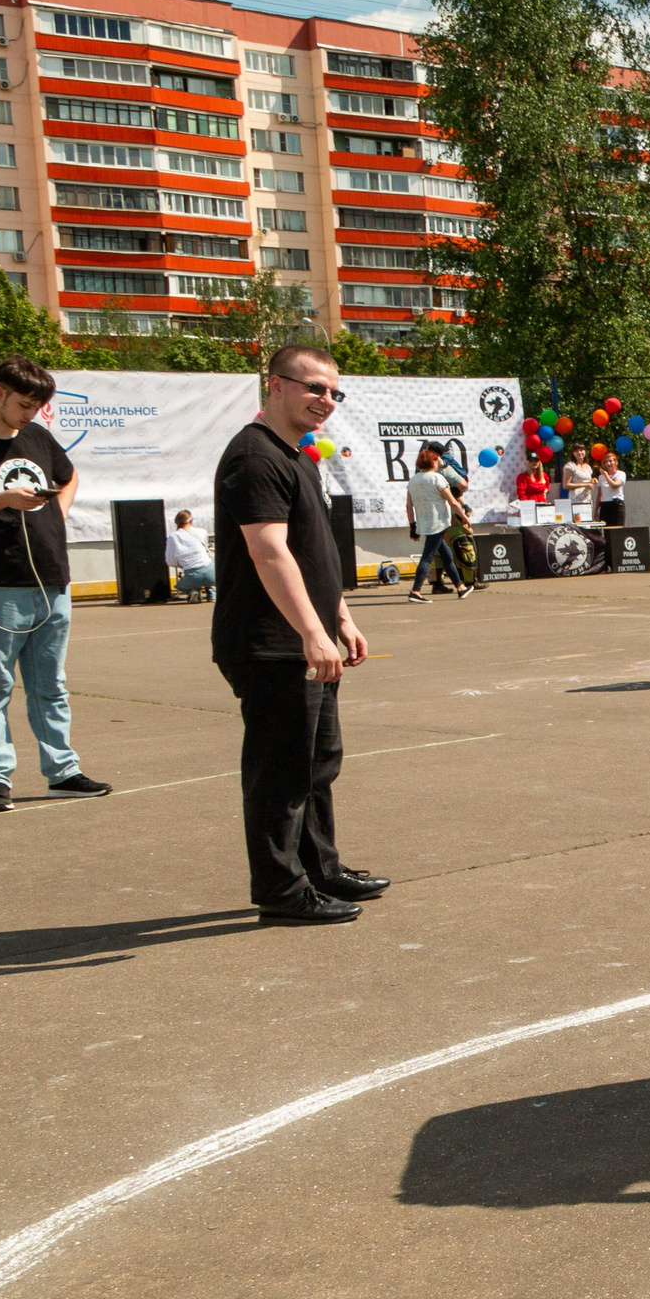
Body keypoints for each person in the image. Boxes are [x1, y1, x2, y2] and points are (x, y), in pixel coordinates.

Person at [212, 344, 388, 926]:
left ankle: (320, 868)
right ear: (276, 385)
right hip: (270, 640)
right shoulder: (253, 457)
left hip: (308, 636)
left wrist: (339, 618)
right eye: (314, 388)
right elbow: (268, 551)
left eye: (334, 392)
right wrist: (311, 632)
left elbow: (312, 555)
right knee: (280, 771)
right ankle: (282, 890)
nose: (326, 400)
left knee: (317, 764)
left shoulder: (299, 457)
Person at [0, 355, 113, 813]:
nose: (30, 414)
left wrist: (57, 513)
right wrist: (2, 500)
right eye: (24, 404)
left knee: (51, 684)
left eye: (36, 406)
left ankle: (62, 772)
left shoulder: (38, 437)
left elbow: (68, 478)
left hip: (50, 579)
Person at [404, 447, 471, 603]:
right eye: (436, 460)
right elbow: (453, 501)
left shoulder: (413, 480)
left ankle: (460, 587)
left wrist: (412, 526)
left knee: (447, 555)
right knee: (428, 557)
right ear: (432, 461)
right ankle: (415, 590)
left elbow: (408, 506)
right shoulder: (437, 478)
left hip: (424, 522)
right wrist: (464, 517)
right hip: (438, 521)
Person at [165, 509, 214, 601]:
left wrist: (180, 564)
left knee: (180, 586)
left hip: (192, 573)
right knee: (212, 583)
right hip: (210, 571)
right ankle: (212, 595)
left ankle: (192, 591)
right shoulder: (202, 532)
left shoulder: (173, 537)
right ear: (191, 521)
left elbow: (170, 560)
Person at [595, 448, 627, 527]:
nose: (608, 464)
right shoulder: (601, 477)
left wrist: (606, 475)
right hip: (605, 505)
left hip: (616, 504)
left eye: (610, 461)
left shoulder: (621, 474)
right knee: (605, 530)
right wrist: (596, 510)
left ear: (615, 462)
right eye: (606, 462)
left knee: (617, 530)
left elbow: (614, 485)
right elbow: (599, 494)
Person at [562, 444, 595, 519]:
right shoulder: (570, 466)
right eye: (576, 451)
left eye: (581, 450)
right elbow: (565, 485)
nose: (579, 452)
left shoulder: (587, 467)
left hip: (587, 500)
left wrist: (593, 481)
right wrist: (585, 485)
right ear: (573, 453)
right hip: (576, 501)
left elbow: (588, 482)